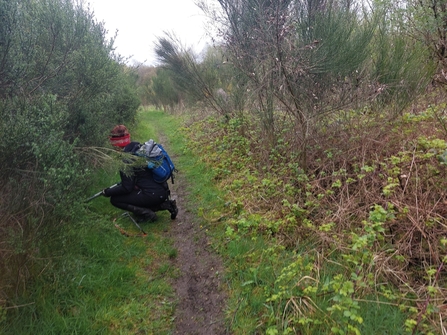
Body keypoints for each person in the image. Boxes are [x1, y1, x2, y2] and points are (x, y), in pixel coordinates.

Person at [102, 125, 178, 223]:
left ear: (115, 145)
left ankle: (148, 214)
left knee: (115, 199)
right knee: (137, 193)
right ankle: (166, 205)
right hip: (162, 191)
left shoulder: (126, 160)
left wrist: (108, 192)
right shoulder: (138, 148)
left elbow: (127, 188)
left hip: (152, 195)